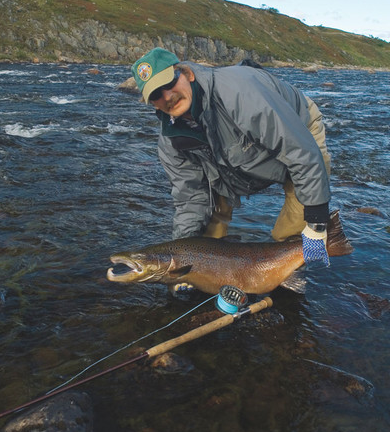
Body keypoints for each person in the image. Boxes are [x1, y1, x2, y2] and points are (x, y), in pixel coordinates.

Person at [131, 47, 332, 267]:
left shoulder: (239, 94)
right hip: (232, 157)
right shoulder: (171, 141)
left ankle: (287, 278)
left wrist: (317, 222)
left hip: (297, 132)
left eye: (169, 84)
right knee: (205, 238)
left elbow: (299, 150)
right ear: (151, 104)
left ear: (187, 73)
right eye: (156, 95)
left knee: (293, 234)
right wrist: (180, 260)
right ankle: (211, 277)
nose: (167, 96)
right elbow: (190, 197)